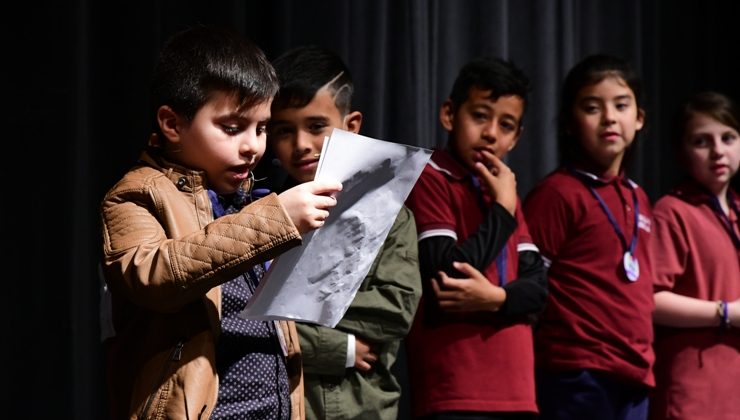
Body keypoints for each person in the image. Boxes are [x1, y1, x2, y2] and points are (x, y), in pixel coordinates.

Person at [99, 25, 343, 420]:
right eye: (232, 128)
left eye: (262, 128)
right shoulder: (136, 194)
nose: (253, 146)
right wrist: (276, 220)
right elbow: (152, 275)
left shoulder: (250, 199)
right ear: (172, 124)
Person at [267, 45, 423, 420]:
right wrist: (343, 348)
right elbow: (243, 322)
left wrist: (284, 304)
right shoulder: (263, 216)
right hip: (283, 406)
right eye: (284, 130)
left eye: (316, 126)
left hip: (362, 408)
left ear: (351, 125)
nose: (301, 144)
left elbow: (395, 310)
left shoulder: (390, 216)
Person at [403, 56, 548, 419]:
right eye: (480, 116)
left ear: (517, 137)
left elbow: (539, 291)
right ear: (450, 114)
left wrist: (495, 298)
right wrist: (502, 209)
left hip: (518, 392)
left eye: (506, 124)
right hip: (455, 389)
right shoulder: (431, 176)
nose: (491, 133)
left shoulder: (504, 192)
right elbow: (447, 276)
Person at [522, 54, 654, 419]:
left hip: (635, 373)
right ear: (569, 122)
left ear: (639, 118)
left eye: (621, 105)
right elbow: (529, 283)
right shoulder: (558, 193)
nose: (610, 117)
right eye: (592, 107)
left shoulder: (639, 198)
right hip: (576, 372)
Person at [649, 91, 740, 420]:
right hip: (695, 389)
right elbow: (652, 300)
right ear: (681, 153)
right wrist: (726, 312)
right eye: (702, 141)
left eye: (728, 138)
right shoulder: (672, 212)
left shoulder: (737, 212)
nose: (718, 151)